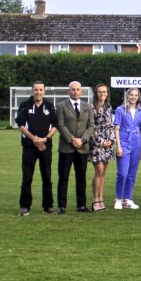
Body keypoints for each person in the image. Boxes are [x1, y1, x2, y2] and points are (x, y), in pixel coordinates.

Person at [16, 81, 58, 216]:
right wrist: (34, 139)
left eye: (41, 90)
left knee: (47, 177)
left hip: (45, 146)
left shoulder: (50, 106)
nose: (38, 92)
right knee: (27, 177)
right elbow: (21, 126)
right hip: (29, 147)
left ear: (44, 91)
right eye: (36, 90)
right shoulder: (25, 105)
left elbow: (55, 125)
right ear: (32, 91)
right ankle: (24, 206)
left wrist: (45, 139)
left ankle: (48, 206)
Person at [55, 81, 95, 214]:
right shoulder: (61, 106)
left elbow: (91, 126)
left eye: (78, 89)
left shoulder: (88, 106)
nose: (75, 92)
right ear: (68, 91)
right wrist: (72, 140)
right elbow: (60, 125)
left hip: (82, 148)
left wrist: (82, 140)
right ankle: (62, 206)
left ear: (81, 92)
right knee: (63, 177)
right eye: (73, 90)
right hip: (67, 147)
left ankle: (81, 205)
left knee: (81, 177)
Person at [114, 88, 141, 210]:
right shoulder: (120, 110)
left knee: (132, 174)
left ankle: (127, 199)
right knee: (122, 173)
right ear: (127, 96)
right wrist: (118, 146)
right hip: (123, 142)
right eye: (131, 95)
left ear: (138, 97)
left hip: (136, 144)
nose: (133, 97)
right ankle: (118, 198)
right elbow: (116, 129)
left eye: (135, 95)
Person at [89, 84, 114, 212]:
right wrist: (102, 142)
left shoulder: (108, 107)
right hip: (96, 144)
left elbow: (110, 126)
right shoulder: (91, 108)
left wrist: (111, 140)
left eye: (104, 92)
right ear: (96, 93)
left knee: (103, 173)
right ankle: (95, 200)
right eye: (100, 92)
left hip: (108, 144)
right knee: (98, 172)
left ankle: (101, 198)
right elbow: (91, 127)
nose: (102, 94)